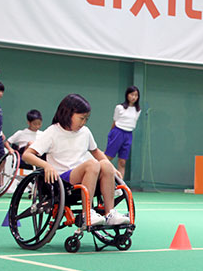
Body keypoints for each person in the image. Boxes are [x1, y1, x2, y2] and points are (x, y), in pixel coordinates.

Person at [23, 94, 130, 226]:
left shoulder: (85, 132)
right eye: (81, 118)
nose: (84, 122)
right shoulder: (53, 132)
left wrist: (113, 169)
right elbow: (27, 155)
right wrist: (46, 166)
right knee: (92, 164)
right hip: (62, 179)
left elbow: (96, 152)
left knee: (105, 164)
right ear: (68, 114)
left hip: (85, 174)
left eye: (86, 118)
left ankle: (110, 213)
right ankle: (87, 213)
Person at [104, 86, 141, 178]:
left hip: (128, 135)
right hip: (118, 132)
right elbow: (115, 121)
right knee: (108, 157)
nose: (134, 97)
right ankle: (98, 177)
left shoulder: (138, 110)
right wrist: (111, 134)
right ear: (127, 95)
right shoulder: (119, 107)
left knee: (122, 161)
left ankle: (121, 186)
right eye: (132, 94)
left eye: (136, 95)